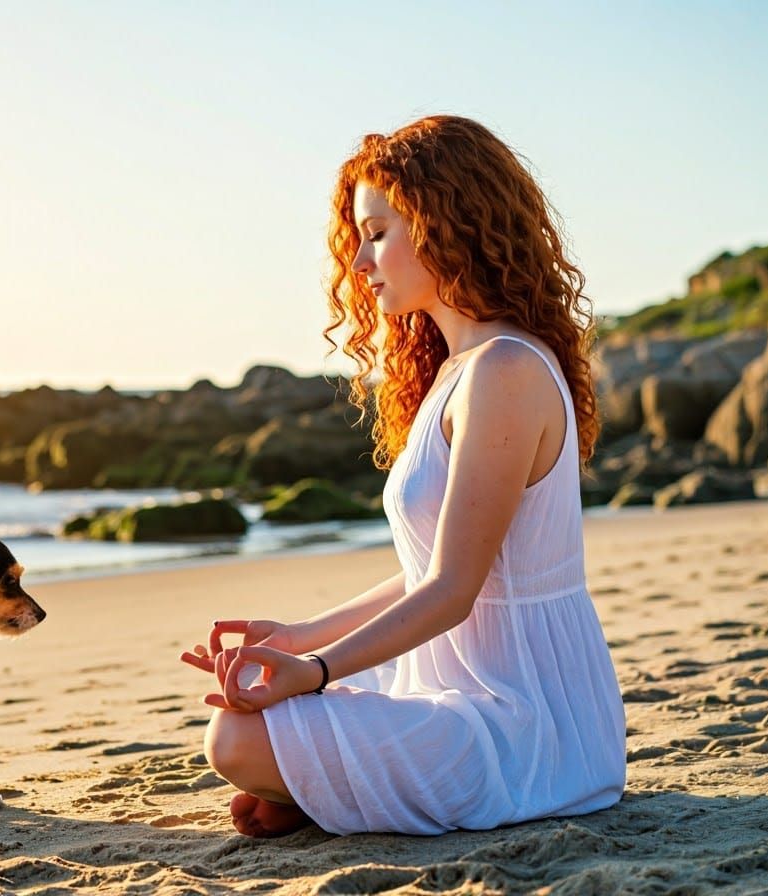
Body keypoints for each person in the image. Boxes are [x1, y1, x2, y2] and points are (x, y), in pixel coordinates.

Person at [181, 115, 626, 838]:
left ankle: (312, 795)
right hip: (456, 681)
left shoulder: (506, 370)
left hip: (531, 725)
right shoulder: (458, 372)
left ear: (446, 220)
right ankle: (313, 794)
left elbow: (452, 591)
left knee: (235, 741)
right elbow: (435, 569)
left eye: (379, 232)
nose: (360, 263)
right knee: (254, 708)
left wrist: (318, 669)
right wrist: (299, 637)